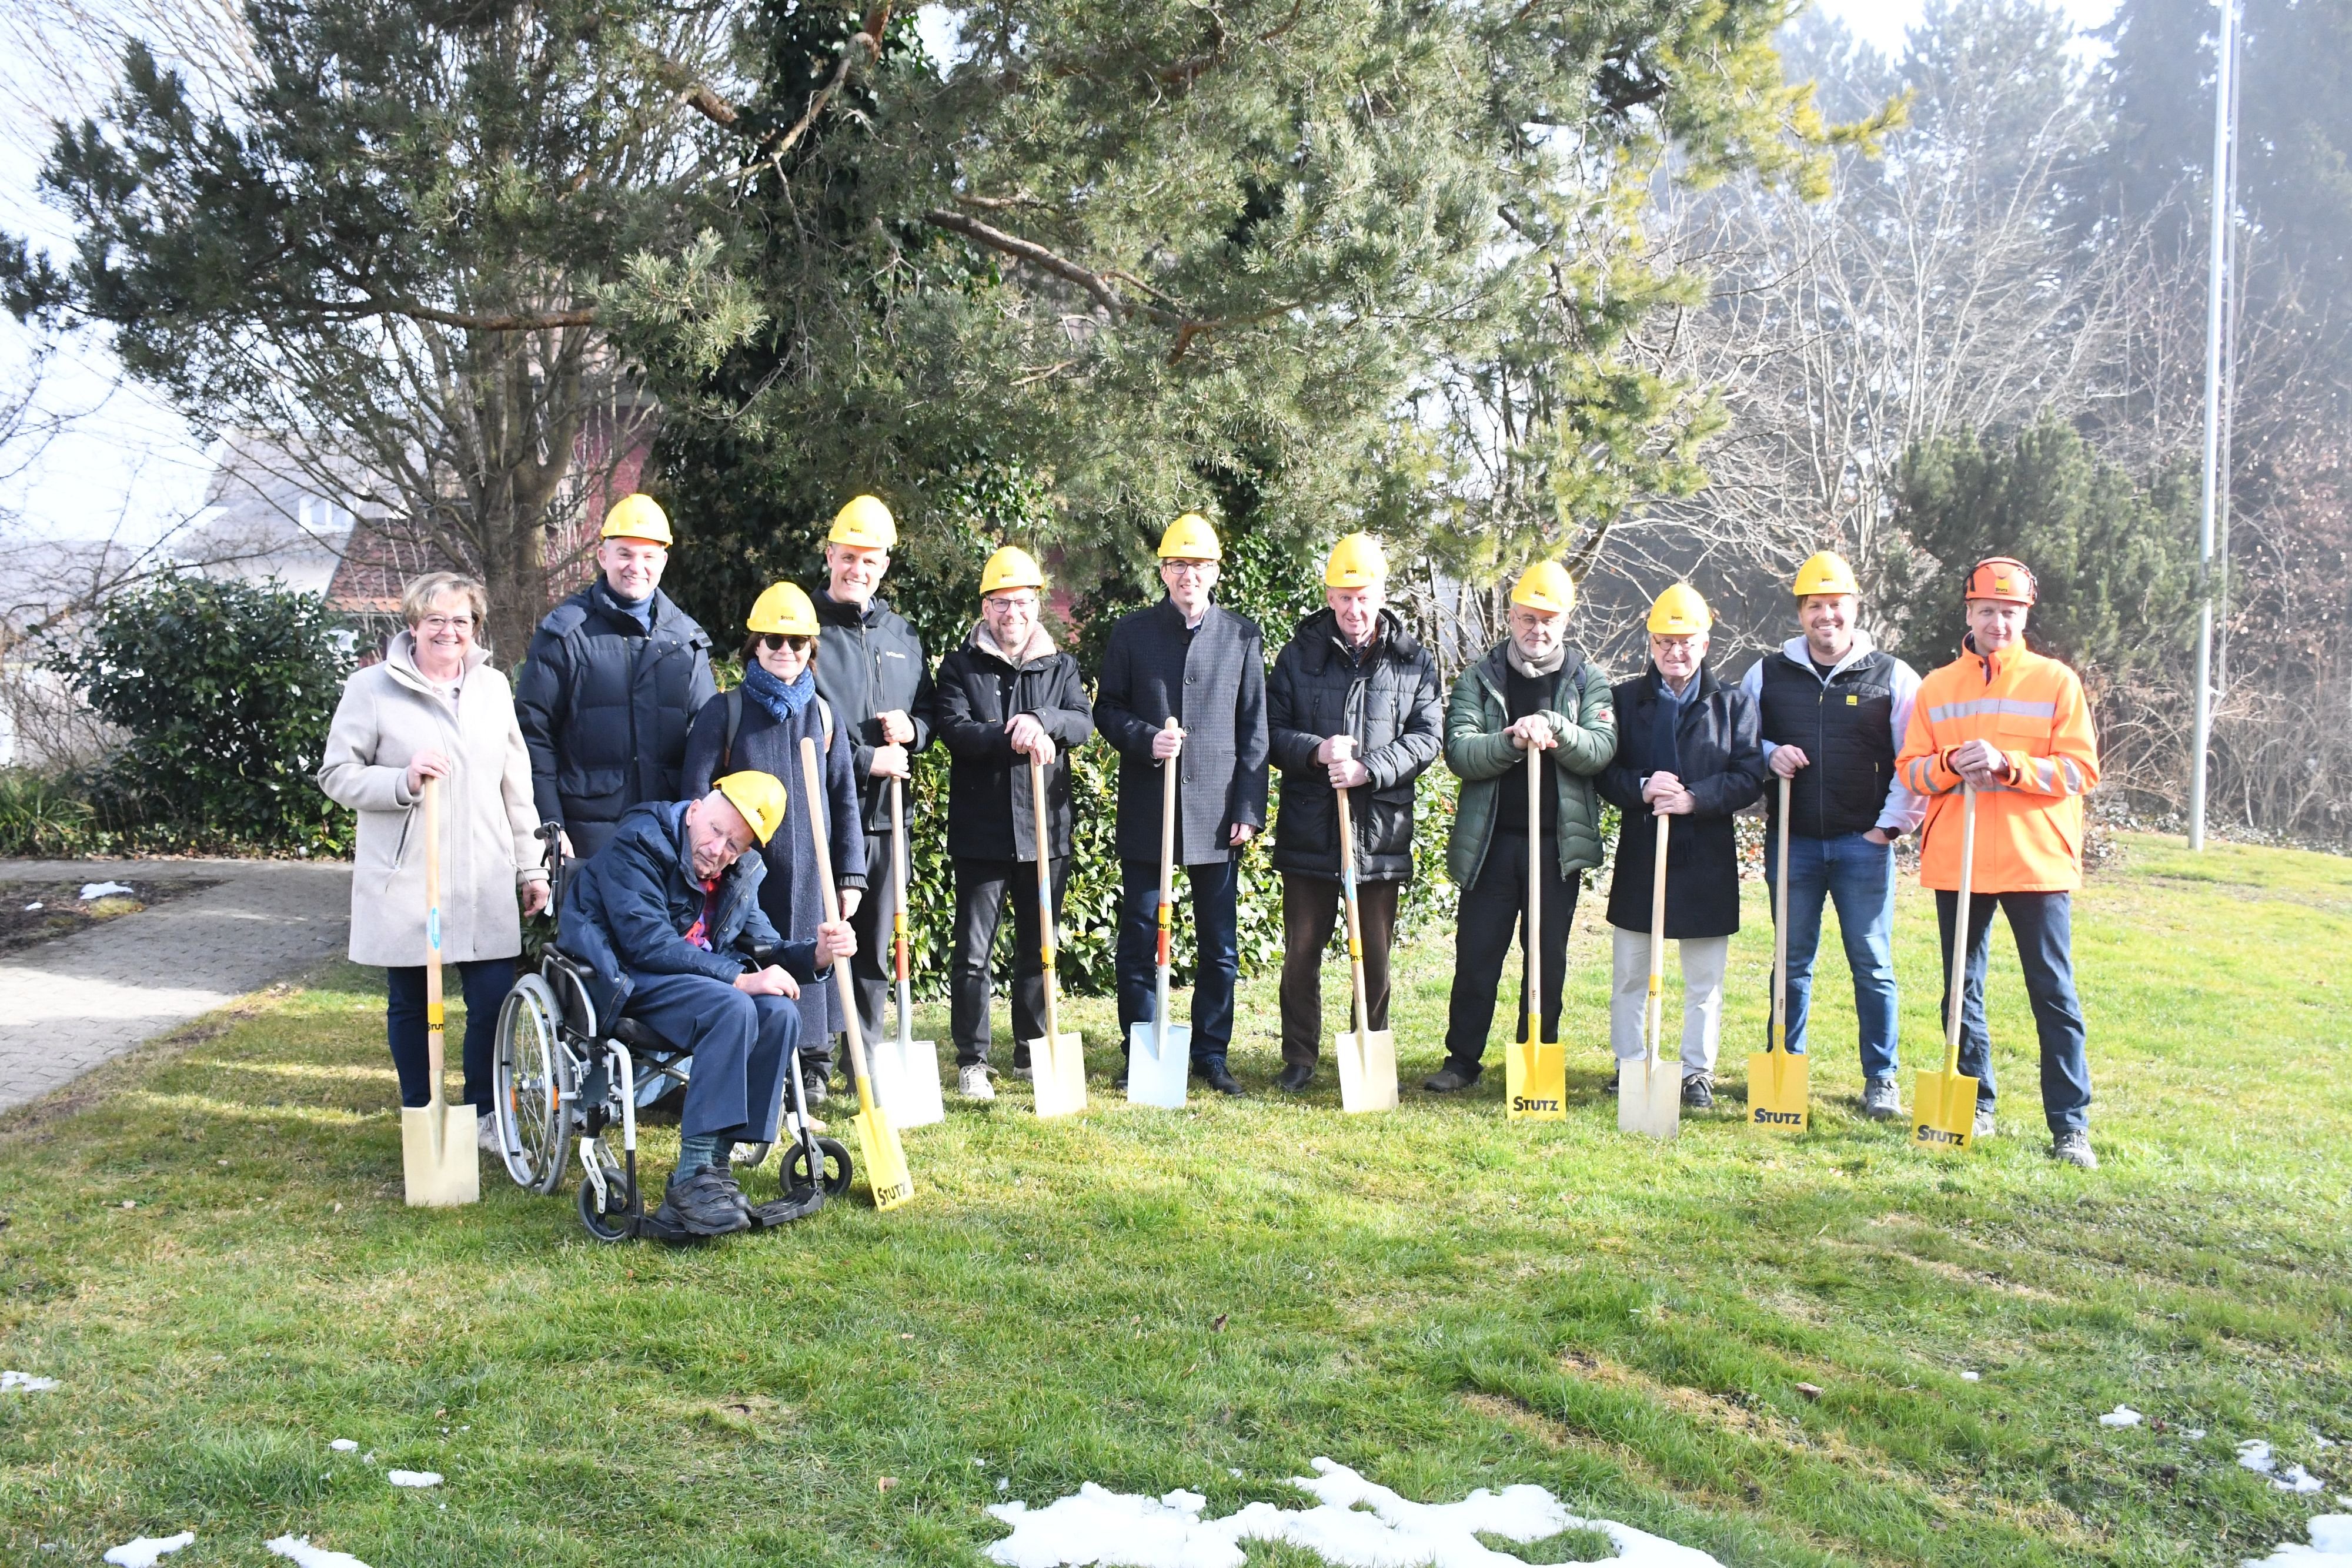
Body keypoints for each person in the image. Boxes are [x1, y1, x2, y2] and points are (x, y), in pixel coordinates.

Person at [559, 772, 858, 1235]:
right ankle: (694, 1175)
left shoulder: (736, 871)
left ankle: (714, 1168)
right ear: (696, 808)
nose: (718, 851)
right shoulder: (639, 841)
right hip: (624, 974)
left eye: (734, 846)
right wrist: (739, 979)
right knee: (734, 1006)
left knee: (779, 1011)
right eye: (716, 832)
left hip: (694, 982)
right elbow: (645, 942)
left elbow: (764, 948)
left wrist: (816, 954)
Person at [318, 571, 549, 1150]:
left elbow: (516, 785)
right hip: (410, 876)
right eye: (437, 620)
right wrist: (402, 779)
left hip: (484, 874)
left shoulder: (493, 687)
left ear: (475, 628)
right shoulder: (371, 688)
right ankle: (421, 1114)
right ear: (414, 625)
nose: (450, 631)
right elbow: (336, 774)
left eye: (462, 620)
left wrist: (531, 867)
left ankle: (482, 1117)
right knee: (413, 1004)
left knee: (493, 998)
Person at [1895, 556, 2102, 1168]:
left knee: (2053, 995)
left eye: (2009, 613)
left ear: (2024, 616)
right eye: (1987, 611)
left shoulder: (2056, 682)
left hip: (2035, 862)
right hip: (1956, 859)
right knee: (1960, 993)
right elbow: (1911, 769)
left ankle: (2069, 1126)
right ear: (1969, 614)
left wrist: (2010, 764)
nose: (1998, 623)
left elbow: (2079, 770)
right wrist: (1948, 766)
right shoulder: (1937, 687)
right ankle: (1974, 1104)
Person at [1735, 551, 1925, 1119]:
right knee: (1791, 960)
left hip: (1860, 845)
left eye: (1836, 605)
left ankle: (1882, 1079)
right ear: (1801, 613)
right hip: (1792, 841)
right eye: (1815, 606)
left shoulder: (1892, 675)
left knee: (1872, 961)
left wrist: (1889, 826)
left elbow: (1913, 759)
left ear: (1854, 608)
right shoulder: (1765, 673)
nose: (1827, 616)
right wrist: (1771, 754)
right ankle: (1781, 1065)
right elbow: (1740, 743)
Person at [1095, 511, 1270, 1096]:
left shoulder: (1242, 636)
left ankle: (1211, 1055)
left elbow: (1254, 730)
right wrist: (1146, 739)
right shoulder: (1132, 633)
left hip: (1217, 815)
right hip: (1150, 807)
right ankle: (1141, 1048)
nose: (1187, 575)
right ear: (1163, 572)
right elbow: (1108, 709)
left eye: (1197, 565)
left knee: (1220, 946)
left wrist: (1248, 807)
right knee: (1140, 935)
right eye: (1177, 565)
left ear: (1215, 571)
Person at [1427, 561, 1617, 1094]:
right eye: (1529, 618)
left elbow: (1601, 750)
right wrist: (1511, 740)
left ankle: (1536, 1058)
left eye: (1549, 620)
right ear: (1511, 617)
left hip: (1556, 848)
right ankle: (1461, 1060)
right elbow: (1461, 752)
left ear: (1565, 621)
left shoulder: (1587, 681)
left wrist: (1556, 727)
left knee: (1547, 960)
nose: (1539, 629)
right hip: (1491, 846)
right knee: (1477, 956)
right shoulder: (1479, 678)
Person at [1265, 533, 1442, 1093]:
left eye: (1363, 596)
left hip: (1379, 831)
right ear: (1329, 595)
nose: (1353, 608)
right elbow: (1269, 734)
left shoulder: (1413, 661)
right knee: (1301, 952)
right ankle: (1300, 1057)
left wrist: (1372, 768)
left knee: (1375, 956)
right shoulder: (1299, 655)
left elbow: (1428, 737)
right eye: (1343, 597)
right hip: (1310, 827)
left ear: (1380, 594)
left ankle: (1368, 1050)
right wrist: (1314, 751)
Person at [680, 581, 867, 1105]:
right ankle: (761, 1068)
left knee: (815, 957)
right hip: (745, 873)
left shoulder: (825, 716)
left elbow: (845, 799)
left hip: (814, 871)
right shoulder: (726, 711)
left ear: (811, 650)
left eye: (797, 643)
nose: (785, 651)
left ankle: (812, 1070)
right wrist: (706, 865)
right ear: (753, 646)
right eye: (772, 640)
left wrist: (850, 875)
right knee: (755, 959)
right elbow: (695, 794)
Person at [933, 546, 1095, 1099]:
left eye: (1022, 602)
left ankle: (1032, 1051)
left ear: (1036, 606)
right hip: (981, 834)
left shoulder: (1061, 665)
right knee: (973, 954)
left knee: (1038, 948)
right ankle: (972, 1059)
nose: (1012, 613)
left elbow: (1082, 722)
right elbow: (954, 730)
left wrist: (1043, 719)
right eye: (1001, 603)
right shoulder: (960, 666)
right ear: (985, 607)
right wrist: (1013, 733)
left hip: (1046, 832)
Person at [1597, 584, 1765, 1109]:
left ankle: (1697, 1073)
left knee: (1704, 979)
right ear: (1651, 642)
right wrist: (1643, 788)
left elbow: (1749, 776)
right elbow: (1605, 771)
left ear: (1706, 643)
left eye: (1686, 642)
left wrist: (1696, 799)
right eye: (1665, 642)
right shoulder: (1625, 700)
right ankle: (1630, 1062)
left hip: (1706, 858)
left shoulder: (1734, 704)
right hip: (1642, 853)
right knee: (1630, 971)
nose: (1676, 652)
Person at [806, 494, 937, 1082]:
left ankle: (862, 1056)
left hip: (887, 821)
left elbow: (933, 714)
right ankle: (810, 1061)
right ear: (830, 555)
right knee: (815, 940)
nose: (858, 570)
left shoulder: (903, 635)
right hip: (822, 819)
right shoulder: (803, 632)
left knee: (873, 948)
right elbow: (798, 727)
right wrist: (866, 760)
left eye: (871, 561)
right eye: (849, 557)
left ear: (884, 566)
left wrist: (916, 731)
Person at [513, 493, 716, 862]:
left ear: (664, 562)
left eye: (648, 556)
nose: (635, 566)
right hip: (585, 840)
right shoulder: (565, 635)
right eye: (624, 553)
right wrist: (550, 825)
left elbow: (708, 742)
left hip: (667, 837)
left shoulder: (687, 641)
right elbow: (533, 736)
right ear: (603, 556)